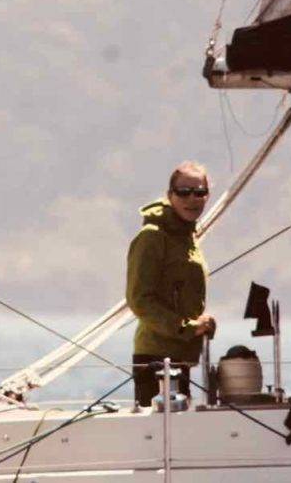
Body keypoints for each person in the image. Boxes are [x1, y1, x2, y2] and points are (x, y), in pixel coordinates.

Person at [125, 160, 216, 407]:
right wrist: (186, 327)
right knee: (157, 436)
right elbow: (139, 300)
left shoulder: (188, 238)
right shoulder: (152, 237)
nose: (192, 199)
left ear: (207, 196)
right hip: (155, 357)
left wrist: (202, 323)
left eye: (199, 192)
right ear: (169, 195)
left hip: (181, 356)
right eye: (183, 192)